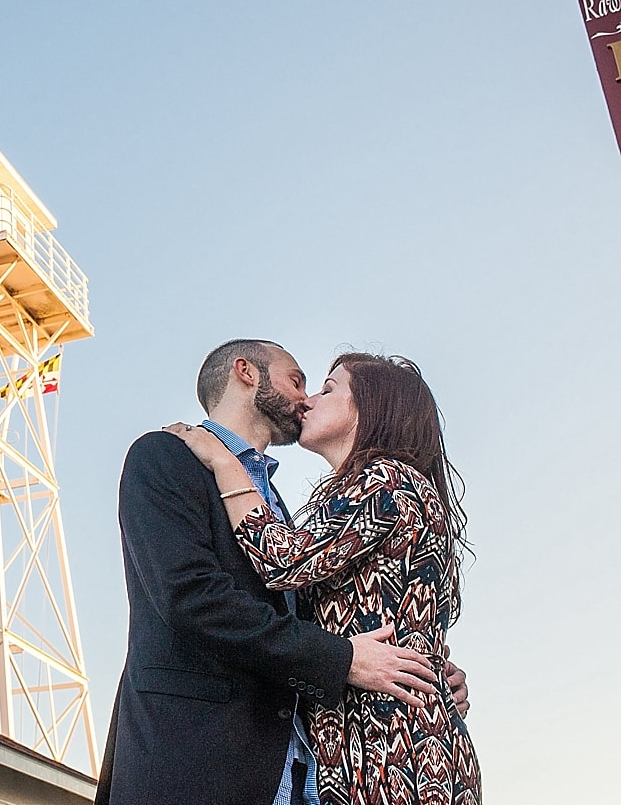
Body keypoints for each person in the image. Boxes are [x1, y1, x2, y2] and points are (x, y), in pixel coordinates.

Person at [96, 340, 465, 805]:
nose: (306, 398)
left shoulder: (301, 507)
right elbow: (191, 597)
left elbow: (313, 593)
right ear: (246, 372)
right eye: (298, 381)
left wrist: (428, 665)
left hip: (324, 767)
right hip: (201, 764)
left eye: (323, 389)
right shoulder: (165, 457)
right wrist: (355, 658)